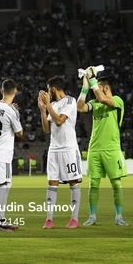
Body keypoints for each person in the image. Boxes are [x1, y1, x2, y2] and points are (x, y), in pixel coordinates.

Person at [77, 68, 127, 226]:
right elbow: (80, 107)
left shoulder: (117, 101)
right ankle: (92, 216)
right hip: (95, 149)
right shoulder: (95, 104)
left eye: (98, 87)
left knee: (116, 184)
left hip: (112, 149)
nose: (95, 90)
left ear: (106, 88)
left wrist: (92, 79)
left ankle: (118, 216)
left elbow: (104, 99)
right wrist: (85, 87)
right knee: (93, 184)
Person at [38, 76, 82, 229]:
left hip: (68, 149)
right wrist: (43, 110)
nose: (47, 92)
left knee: (73, 182)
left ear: (53, 88)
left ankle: (74, 219)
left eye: (48, 89)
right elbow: (47, 129)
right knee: (52, 183)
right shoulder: (54, 104)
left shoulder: (70, 101)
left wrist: (48, 105)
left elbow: (59, 121)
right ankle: (49, 220)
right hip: (54, 149)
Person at [0, 79, 23, 232]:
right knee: (1, 186)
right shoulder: (11, 111)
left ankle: (1, 219)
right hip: (2, 153)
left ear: (1, 91)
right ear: (16, 92)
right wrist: (16, 113)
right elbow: (20, 133)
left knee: (4, 185)